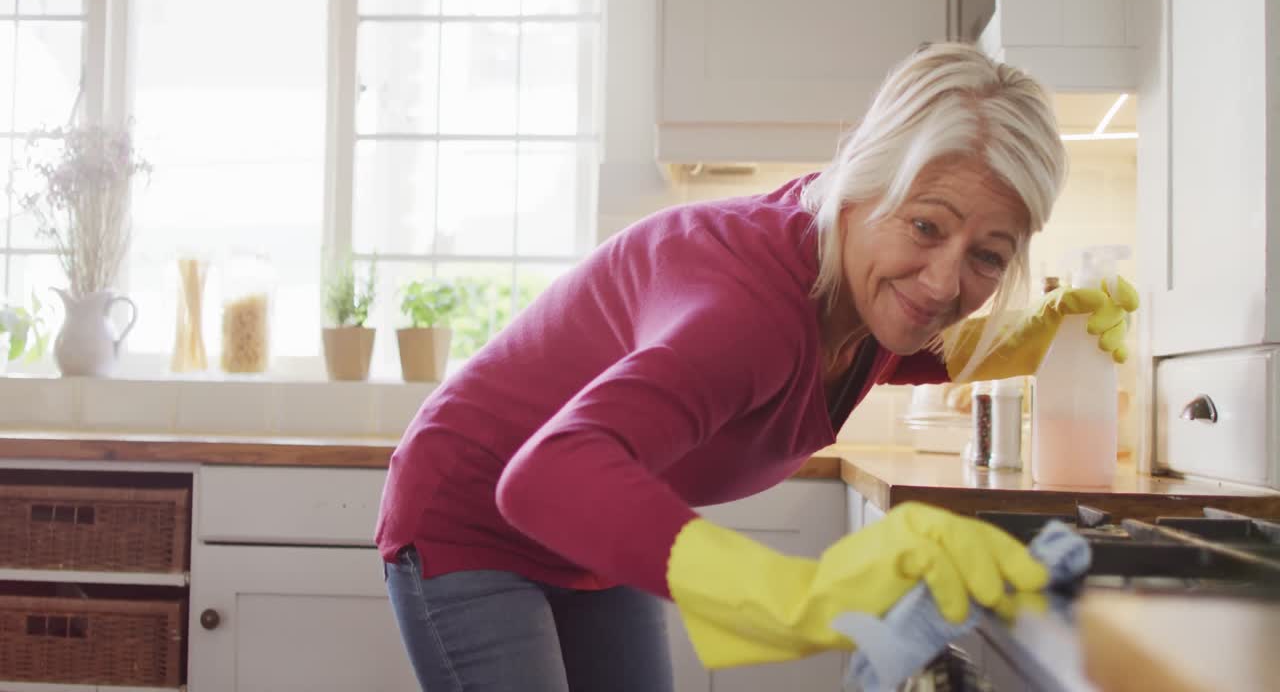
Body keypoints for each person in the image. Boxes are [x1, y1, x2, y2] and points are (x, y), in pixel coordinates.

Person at [375, 42, 1138, 691]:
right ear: (861, 185)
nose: (943, 282)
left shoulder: (853, 290)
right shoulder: (745, 305)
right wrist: (789, 595)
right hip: (472, 510)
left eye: (986, 257)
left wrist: (1008, 344)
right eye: (926, 225)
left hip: (588, 535)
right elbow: (547, 473)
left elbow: (869, 352)